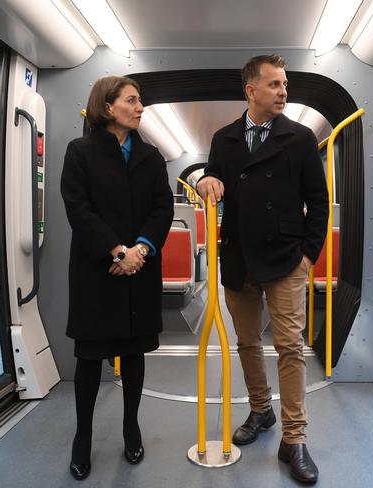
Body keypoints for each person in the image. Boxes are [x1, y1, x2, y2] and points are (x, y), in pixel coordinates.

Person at [197, 54, 328, 484]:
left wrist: (308, 256)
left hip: (287, 258)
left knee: (290, 347)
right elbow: (214, 176)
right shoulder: (224, 138)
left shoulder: (301, 138)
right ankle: (260, 409)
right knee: (248, 343)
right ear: (251, 91)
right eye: (274, 85)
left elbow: (319, 202)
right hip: (238, 256)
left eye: (285, 84)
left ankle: (295, 437)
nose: (283, 92)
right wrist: (205, 181)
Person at [60, 76, 173, 481]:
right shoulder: (81, 152)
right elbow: (78, 207)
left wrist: (140, 249)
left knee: (134, 353)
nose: (140, 107)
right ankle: (83, 436)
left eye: (140, 100)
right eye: (131, 100)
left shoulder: (152, 157)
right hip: (98, 271)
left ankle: (131, 426)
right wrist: (116, 250)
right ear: (107, 107)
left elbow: (162, 208)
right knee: (89, 358)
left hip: (138, 271)